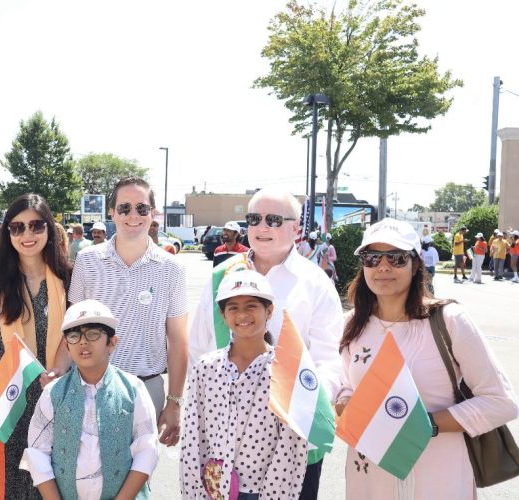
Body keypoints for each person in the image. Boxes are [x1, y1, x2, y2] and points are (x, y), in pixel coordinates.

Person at [334, 218, 518, 499]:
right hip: (369, 474)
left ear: (416, 263)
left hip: (439, 473)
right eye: (371, 258)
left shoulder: (449, 320)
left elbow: (501, 402)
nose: (383, 266)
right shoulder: (351, 325)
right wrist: (345, 401)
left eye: (396, 258)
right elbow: (347, 383)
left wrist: (425, 424)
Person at [189, 190, 343, 500]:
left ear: (295, 228)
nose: (262, 227)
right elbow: (199, 348)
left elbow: (329, 359)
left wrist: (302, 406)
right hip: (226, 434)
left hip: (291, 434)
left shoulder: (315, 283)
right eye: (254, 219)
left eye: (273, 220)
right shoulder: (223, 276)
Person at [0, 193, 72, 500]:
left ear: (49, 230)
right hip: (7, 395)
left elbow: (73, 333)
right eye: (18, 227)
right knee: (8, 482)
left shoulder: (68, 274)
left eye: (36, 226)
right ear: (7, 232)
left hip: (56, 392)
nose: (27, 235)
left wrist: (57, 370)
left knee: (52, 481)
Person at [70, 176, 188, 450]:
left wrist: (174, 403)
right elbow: (72, 331)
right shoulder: (88, 261)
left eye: (141, 208)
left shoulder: (172, 268)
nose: (133, 216)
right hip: (90, 388)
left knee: (138, 483)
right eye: (124, 208)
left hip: (147, 390)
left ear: (153, 213)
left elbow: (179, 341)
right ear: (111, 213)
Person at [181, 270, 308, 499]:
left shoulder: (284, 370)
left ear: (269, 311)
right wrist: (194, 491)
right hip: (214, 488)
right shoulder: (206, 368)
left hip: (261, 490)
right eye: (233, 308)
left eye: (251, 306)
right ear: (223, 314)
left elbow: (291, 446)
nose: (242, 315)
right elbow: (192, 434)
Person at [21, 299, 159, 499]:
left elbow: (147, 448)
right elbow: (37, 452)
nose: (83, 342)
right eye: (74, 336)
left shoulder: (133, 389)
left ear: (112, 342)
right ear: (67, 347)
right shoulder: (53, 393)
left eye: (93, 334)